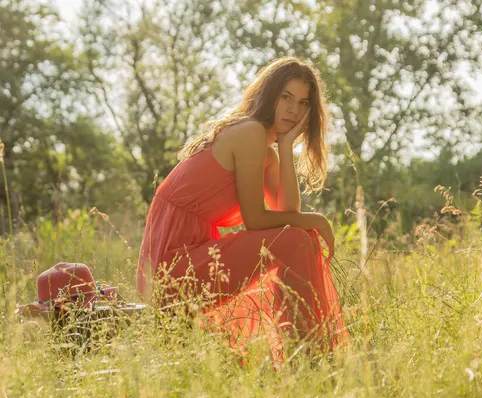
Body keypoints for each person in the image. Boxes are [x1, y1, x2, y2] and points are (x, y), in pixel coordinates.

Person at [137, 56, 348, 361]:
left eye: (303, 104)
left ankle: (303, 353)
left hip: (196, 258)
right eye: (286, 97)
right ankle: (306, 356)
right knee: (299, 238)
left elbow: (286, 215)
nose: (293, 109)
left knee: (298, 239)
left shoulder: (269, 152)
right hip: (172, 269)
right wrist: (317, 220)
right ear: (269, 95)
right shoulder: (249, 132)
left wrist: (287, 147)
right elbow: (257, 220)